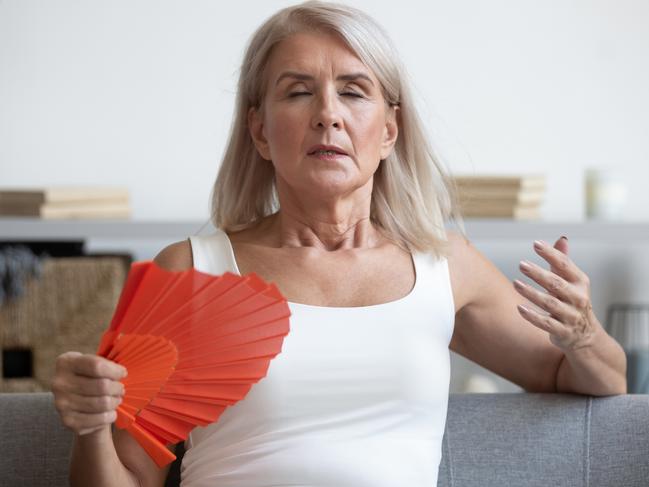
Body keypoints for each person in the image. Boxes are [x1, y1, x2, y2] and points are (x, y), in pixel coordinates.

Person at [52, 1, 627, 486]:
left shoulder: (444, 265)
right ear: (259, 130)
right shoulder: (192, 271)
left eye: (354, 92)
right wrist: (91, 426)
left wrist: (583, 335)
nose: (328, 114)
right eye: (299, 92)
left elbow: (593, 381)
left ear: (389, 131)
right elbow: (124, 478)